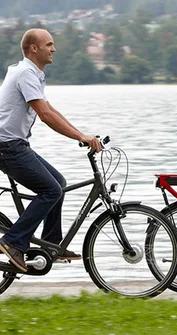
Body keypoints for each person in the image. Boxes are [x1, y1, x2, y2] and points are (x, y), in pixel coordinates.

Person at [0, 28, 101, 273]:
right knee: (50, 190)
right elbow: (44, 116)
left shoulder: (31, 73)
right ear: (34, 48)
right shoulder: (25, 73)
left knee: (59, 183)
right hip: (7, 146)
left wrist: (83, 134)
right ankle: (13, 241)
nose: (53, 49)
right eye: (49, 44)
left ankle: (50, 245)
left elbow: (50, 110)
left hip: (15, 144)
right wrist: (80, 136)